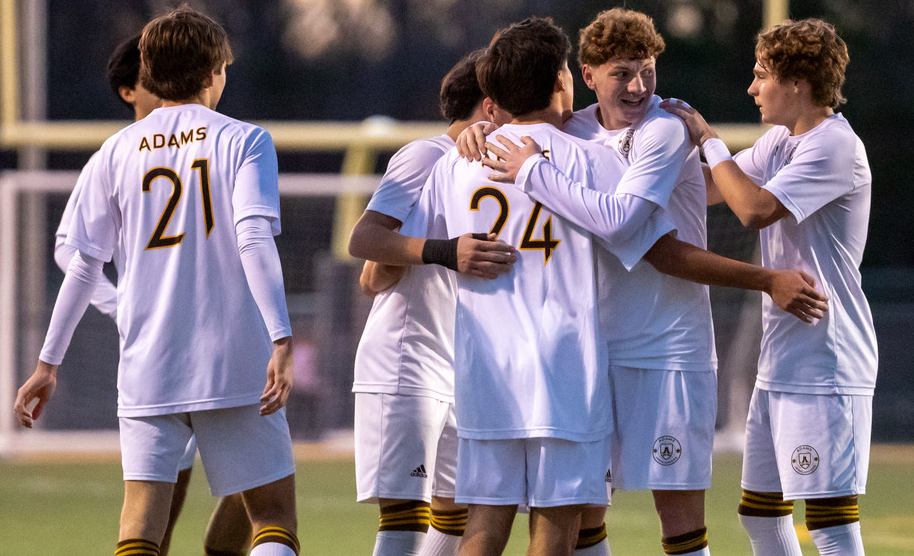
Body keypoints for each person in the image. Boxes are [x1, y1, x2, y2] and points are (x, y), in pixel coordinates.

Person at [463, 9, 829, 556]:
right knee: (581, 511)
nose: (638, 86)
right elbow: (523, 122)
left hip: (667, 348)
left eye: (647, 70)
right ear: (587, 76)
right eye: (622, 73)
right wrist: (475, 129)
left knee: (678, 520)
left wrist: (530, 170)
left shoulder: (663, 129)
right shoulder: (575, 129)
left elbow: (625, 228)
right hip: (592, 351)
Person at [14, 7, 299, 556]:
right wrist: (282, 338)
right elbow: (254, 240)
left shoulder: (114, 152)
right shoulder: (245, 140)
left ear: (148, 67)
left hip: (149, 364)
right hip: (232, 359)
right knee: (271, 520)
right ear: (215, 70)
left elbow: (81, 264)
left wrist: (47, 363)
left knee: (141, 527)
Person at [405, 17, 678, 556]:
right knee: (556, 527)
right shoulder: (593, 158)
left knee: (482, 524)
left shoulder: (456, 162)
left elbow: (394, 256)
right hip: (564, 368)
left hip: (485, 368)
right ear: (562, 79)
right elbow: (628, 229)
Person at [662, 18, 877, 556]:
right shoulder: (782, 139)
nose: (752, 89)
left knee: (830, 527)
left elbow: (754, 209)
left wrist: (708, 139)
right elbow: (711, 189)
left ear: (798, 82)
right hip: (783, 359)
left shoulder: (834, 146)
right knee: (759, 515)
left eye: (762, 76)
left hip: (826, 361)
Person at [52, 32, 252, 556]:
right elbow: (72, 253)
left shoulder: (124, 152)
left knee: (188, 499)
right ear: (128, 91)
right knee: (262, 492)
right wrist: (124, 306)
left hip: (169, 354)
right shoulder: (128, 154)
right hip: (199, 347)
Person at [347, 50, 512, 556]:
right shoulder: (427, 155)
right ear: (489, 106)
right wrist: (443, 251)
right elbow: (365, 246)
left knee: (458, 517)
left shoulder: (492, 167)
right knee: (404, 519)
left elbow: (376, 275)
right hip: (407, 361)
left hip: (459, 366)